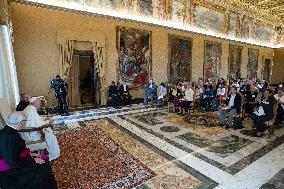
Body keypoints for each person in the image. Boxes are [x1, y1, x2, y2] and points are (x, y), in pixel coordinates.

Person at [0, 112, 58, 189]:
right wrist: (33, 160)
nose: (25, 123)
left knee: (44, 161)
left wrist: (30, 154)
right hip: (9, 173)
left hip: (16, 162)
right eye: (25, 121)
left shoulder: (8, 131)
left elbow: (17, 151)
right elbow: (12, 161)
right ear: (21, 123)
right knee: (41, 168)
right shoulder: (9, 137)